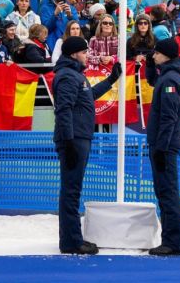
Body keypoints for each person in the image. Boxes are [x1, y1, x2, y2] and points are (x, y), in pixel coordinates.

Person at [52, 36, 122, 254]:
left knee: (73, 189)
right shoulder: (67, 77)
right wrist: (69, 141)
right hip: (75, 139)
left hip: (79, 136)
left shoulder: (74, 76)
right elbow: (63, 110)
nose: (87, 56)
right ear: (74, 54)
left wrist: (111, 80)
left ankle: (72, 238)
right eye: (84, 52)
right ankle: (72, 241)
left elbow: (88, 96)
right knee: (71, 190)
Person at [144, 38, 180, 256]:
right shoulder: (168, 75)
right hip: (164, 144)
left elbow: (169, 118)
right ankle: (172, 240)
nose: (154, 56)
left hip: (166, 146)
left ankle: (175, 242)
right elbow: (153, 81)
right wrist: (150, 65)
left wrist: (161, 148)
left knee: (168, 192)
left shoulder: (171, 80)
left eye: (157, 54)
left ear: (167, 55)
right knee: (165, 192)